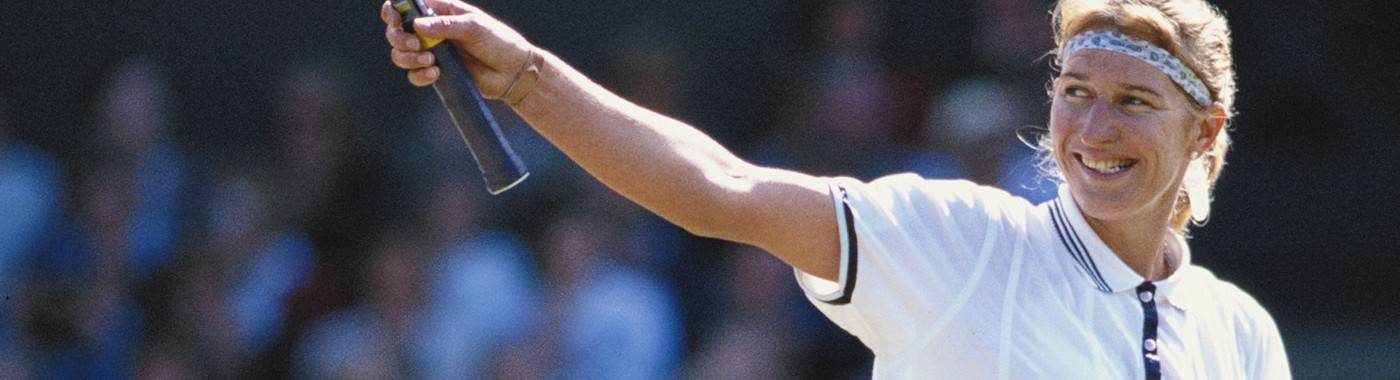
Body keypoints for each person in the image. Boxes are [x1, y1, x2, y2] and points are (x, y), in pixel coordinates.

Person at [380, 0, 1290, 377]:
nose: (1093, 131)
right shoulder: (964, 239)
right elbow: (721, 188)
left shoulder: (1239, 331)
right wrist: (528, 78)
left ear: (1204, 131)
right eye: (1075, 95)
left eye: (1132, 103)